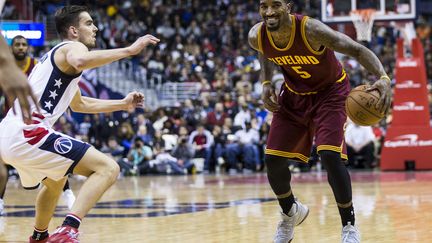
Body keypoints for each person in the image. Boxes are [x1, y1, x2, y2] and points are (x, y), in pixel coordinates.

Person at [0, 5, 159, 242]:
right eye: (89, 23)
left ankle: (39, 236)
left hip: (9, 134)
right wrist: (129, 50)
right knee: (108, 168)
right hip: (29, 132)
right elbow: (82, 60)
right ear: (73, 31)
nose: (95, 28)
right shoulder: (72, 48)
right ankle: (69, 228)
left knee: (56, 182)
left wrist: (122, 104)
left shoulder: (56, 59)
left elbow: (79, 104)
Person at [248, 1, 391, 242]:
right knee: (272, 159)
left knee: (330, 155)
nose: (269, 12)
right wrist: (266, 83)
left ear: (288, 7)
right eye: (264, 6)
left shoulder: (311, 30)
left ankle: (349, 227)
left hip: (331, 93)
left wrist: (384, 77)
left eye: (276, 5)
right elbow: (265, 51)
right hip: (293, 95)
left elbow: (356, 49)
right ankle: (290, 212)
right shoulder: (257, 35)